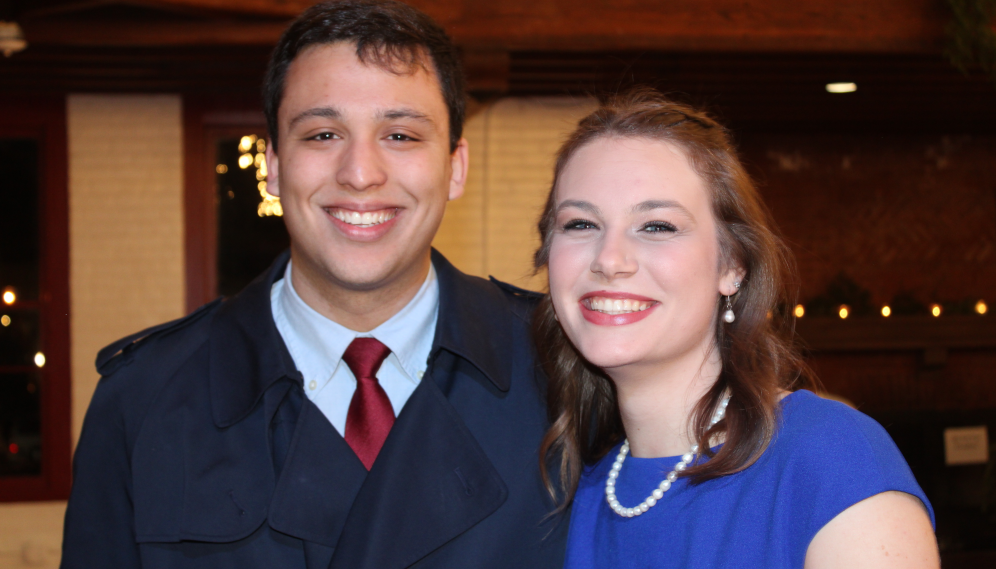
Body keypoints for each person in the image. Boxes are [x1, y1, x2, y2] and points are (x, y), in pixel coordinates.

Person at [60, 2, 567, 567]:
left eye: (400, 135)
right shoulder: (141, 402)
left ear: (455, 166)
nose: (359, 173)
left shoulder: (564, 375)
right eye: (323, 134)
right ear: (274, 164)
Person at [532, 88, 939, 568]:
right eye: (580, 224)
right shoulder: (580, 493)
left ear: (733, 266)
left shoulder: (829, 459)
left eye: (657, 226)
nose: (609, 260)